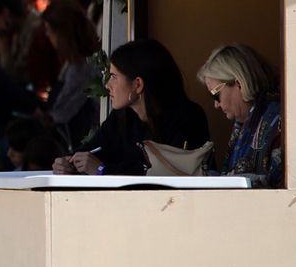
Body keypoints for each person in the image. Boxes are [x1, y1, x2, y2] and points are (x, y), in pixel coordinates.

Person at [53, 39, 211, 177]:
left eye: (114, 77)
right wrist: (68, 163)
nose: (107, 86)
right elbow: (92, 149)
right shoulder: (122, 117)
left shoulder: (187, 118)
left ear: (137, 84)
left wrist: (102, 170)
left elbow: (165, 175)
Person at [197, 44, 283, 188]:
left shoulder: (278, 119)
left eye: (215, 95)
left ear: (239, 83)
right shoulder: (245, 122)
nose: (216, 105)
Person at [39, 0, 100, 144]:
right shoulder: (75, 62)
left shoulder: (81, 67)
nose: (47, 35)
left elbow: (63, 112)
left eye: (49, 30)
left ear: (62, 33)